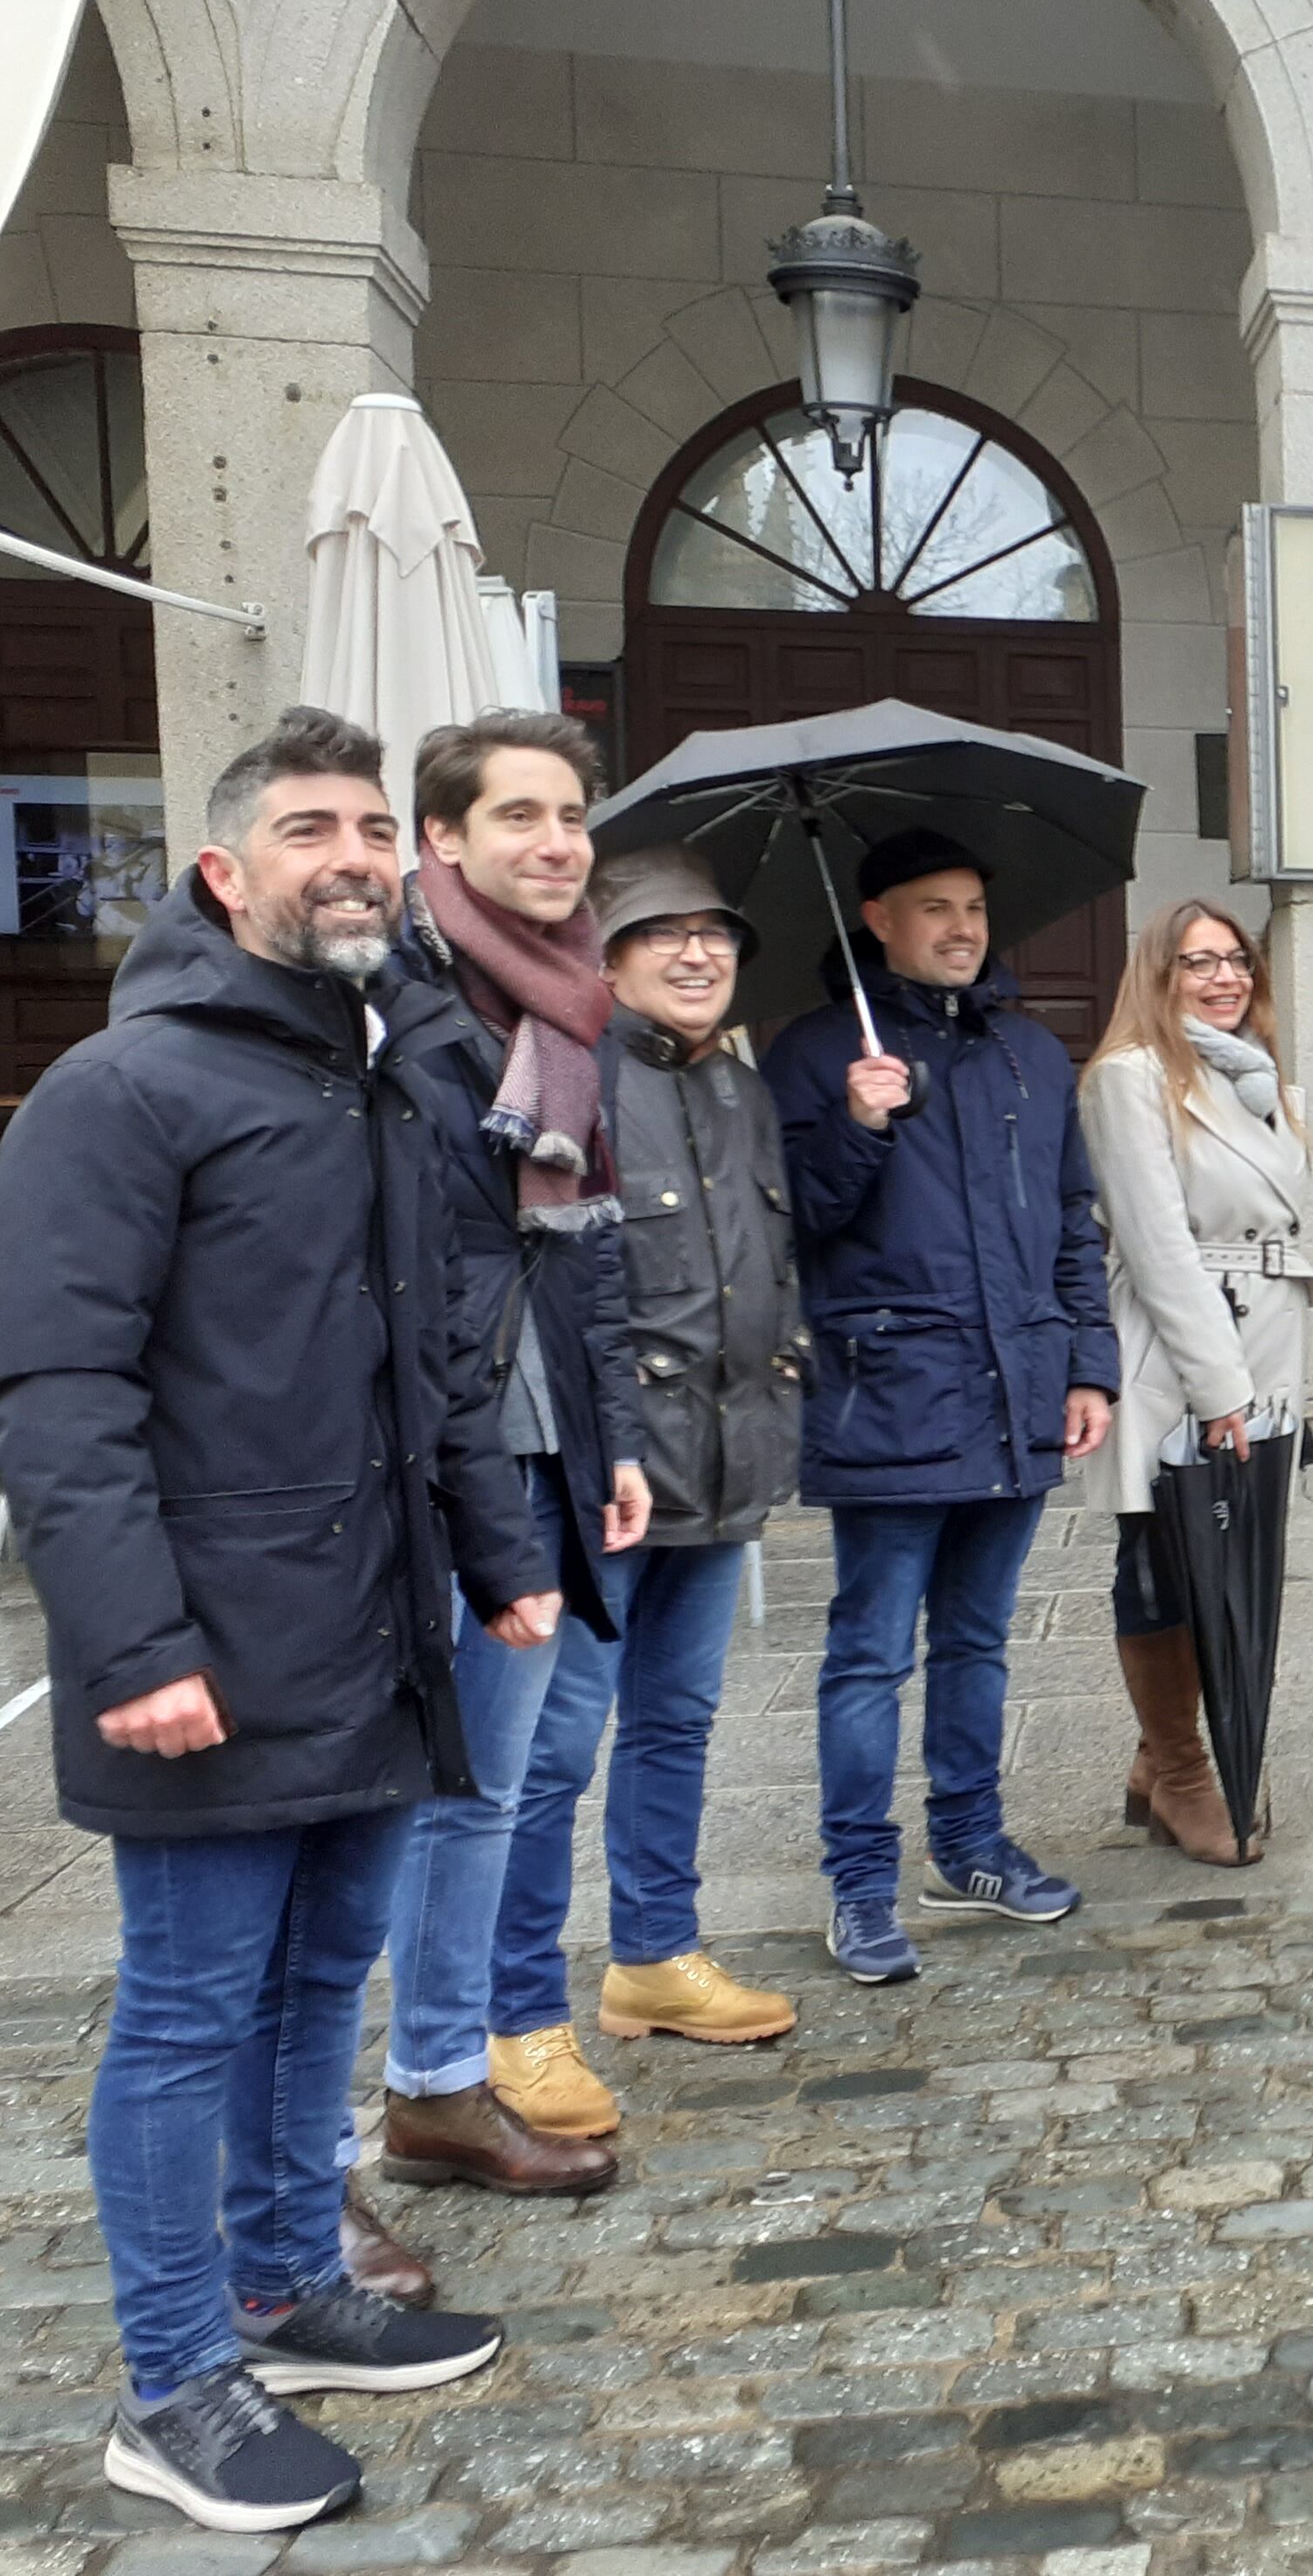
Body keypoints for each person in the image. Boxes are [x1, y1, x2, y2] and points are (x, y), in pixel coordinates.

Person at [0, 707, 558, 2533]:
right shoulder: (125, 1088)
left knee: (322, 1983)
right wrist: (134, 1647)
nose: (357, 854)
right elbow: (58, 1392)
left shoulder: (385, 1079)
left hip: (372, 1632)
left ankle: (286, 2285)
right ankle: (174, 2387)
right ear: (225, 873)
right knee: (186, 2014)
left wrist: (498, 1552)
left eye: (376, 828)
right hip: (208, 1652)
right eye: (312, 827)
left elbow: (440, 1359)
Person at [480, 847, 807, 2137]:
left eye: (714, 937)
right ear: (606, 960)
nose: (696, 955)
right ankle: (514, 2018)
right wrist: (592, 1445)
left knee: (679, 1723)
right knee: (550, 1753)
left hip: (726, 1456)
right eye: (662, 937)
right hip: (602, 1472)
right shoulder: (569, 1073)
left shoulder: (741, 1084)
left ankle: (654, 1959)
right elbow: (562, 1289)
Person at [366, 712, 646, 2206]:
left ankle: (461, 2061)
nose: (553, 841)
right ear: (443, 841)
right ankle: (435, 2080)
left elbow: (574, 1259)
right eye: (518, 816)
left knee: (529, 1766)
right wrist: (488, 1501)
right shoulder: (412, 1015)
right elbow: (432, 1286)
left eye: (570, 815)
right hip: (465, 1455)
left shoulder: (566, 1008)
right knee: (464, 1787)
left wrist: (612, 1438)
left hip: (552, 1443)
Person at [763, 827, 1118, 1981]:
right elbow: (793, 1228)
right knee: (870, 1652)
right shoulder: (814, 1055)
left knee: (978, 1639)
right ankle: (861, 1883)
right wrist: (859, 1127)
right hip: (889, 1392)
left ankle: (969, 1844)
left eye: (973, 906)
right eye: (932, 908)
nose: (962, 927)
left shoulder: (1028, 1054)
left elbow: (1074, 1221)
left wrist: (1086, 1363)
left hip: (1016, 1386)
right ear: (875, 918)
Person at [1078, 897, 1313, 1867]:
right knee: (1164, 1562)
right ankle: (1181, 1772)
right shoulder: (1128, 1079)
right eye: (1198, 963)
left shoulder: (1264, 1084)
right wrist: (1219, 1389)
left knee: (1231, 1564)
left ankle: (1154, 1755)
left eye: (1237, 961)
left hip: (1266, 1350)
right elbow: (1159, 1246)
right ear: (1158, 975)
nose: (1224, 979)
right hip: (1178, 1356)